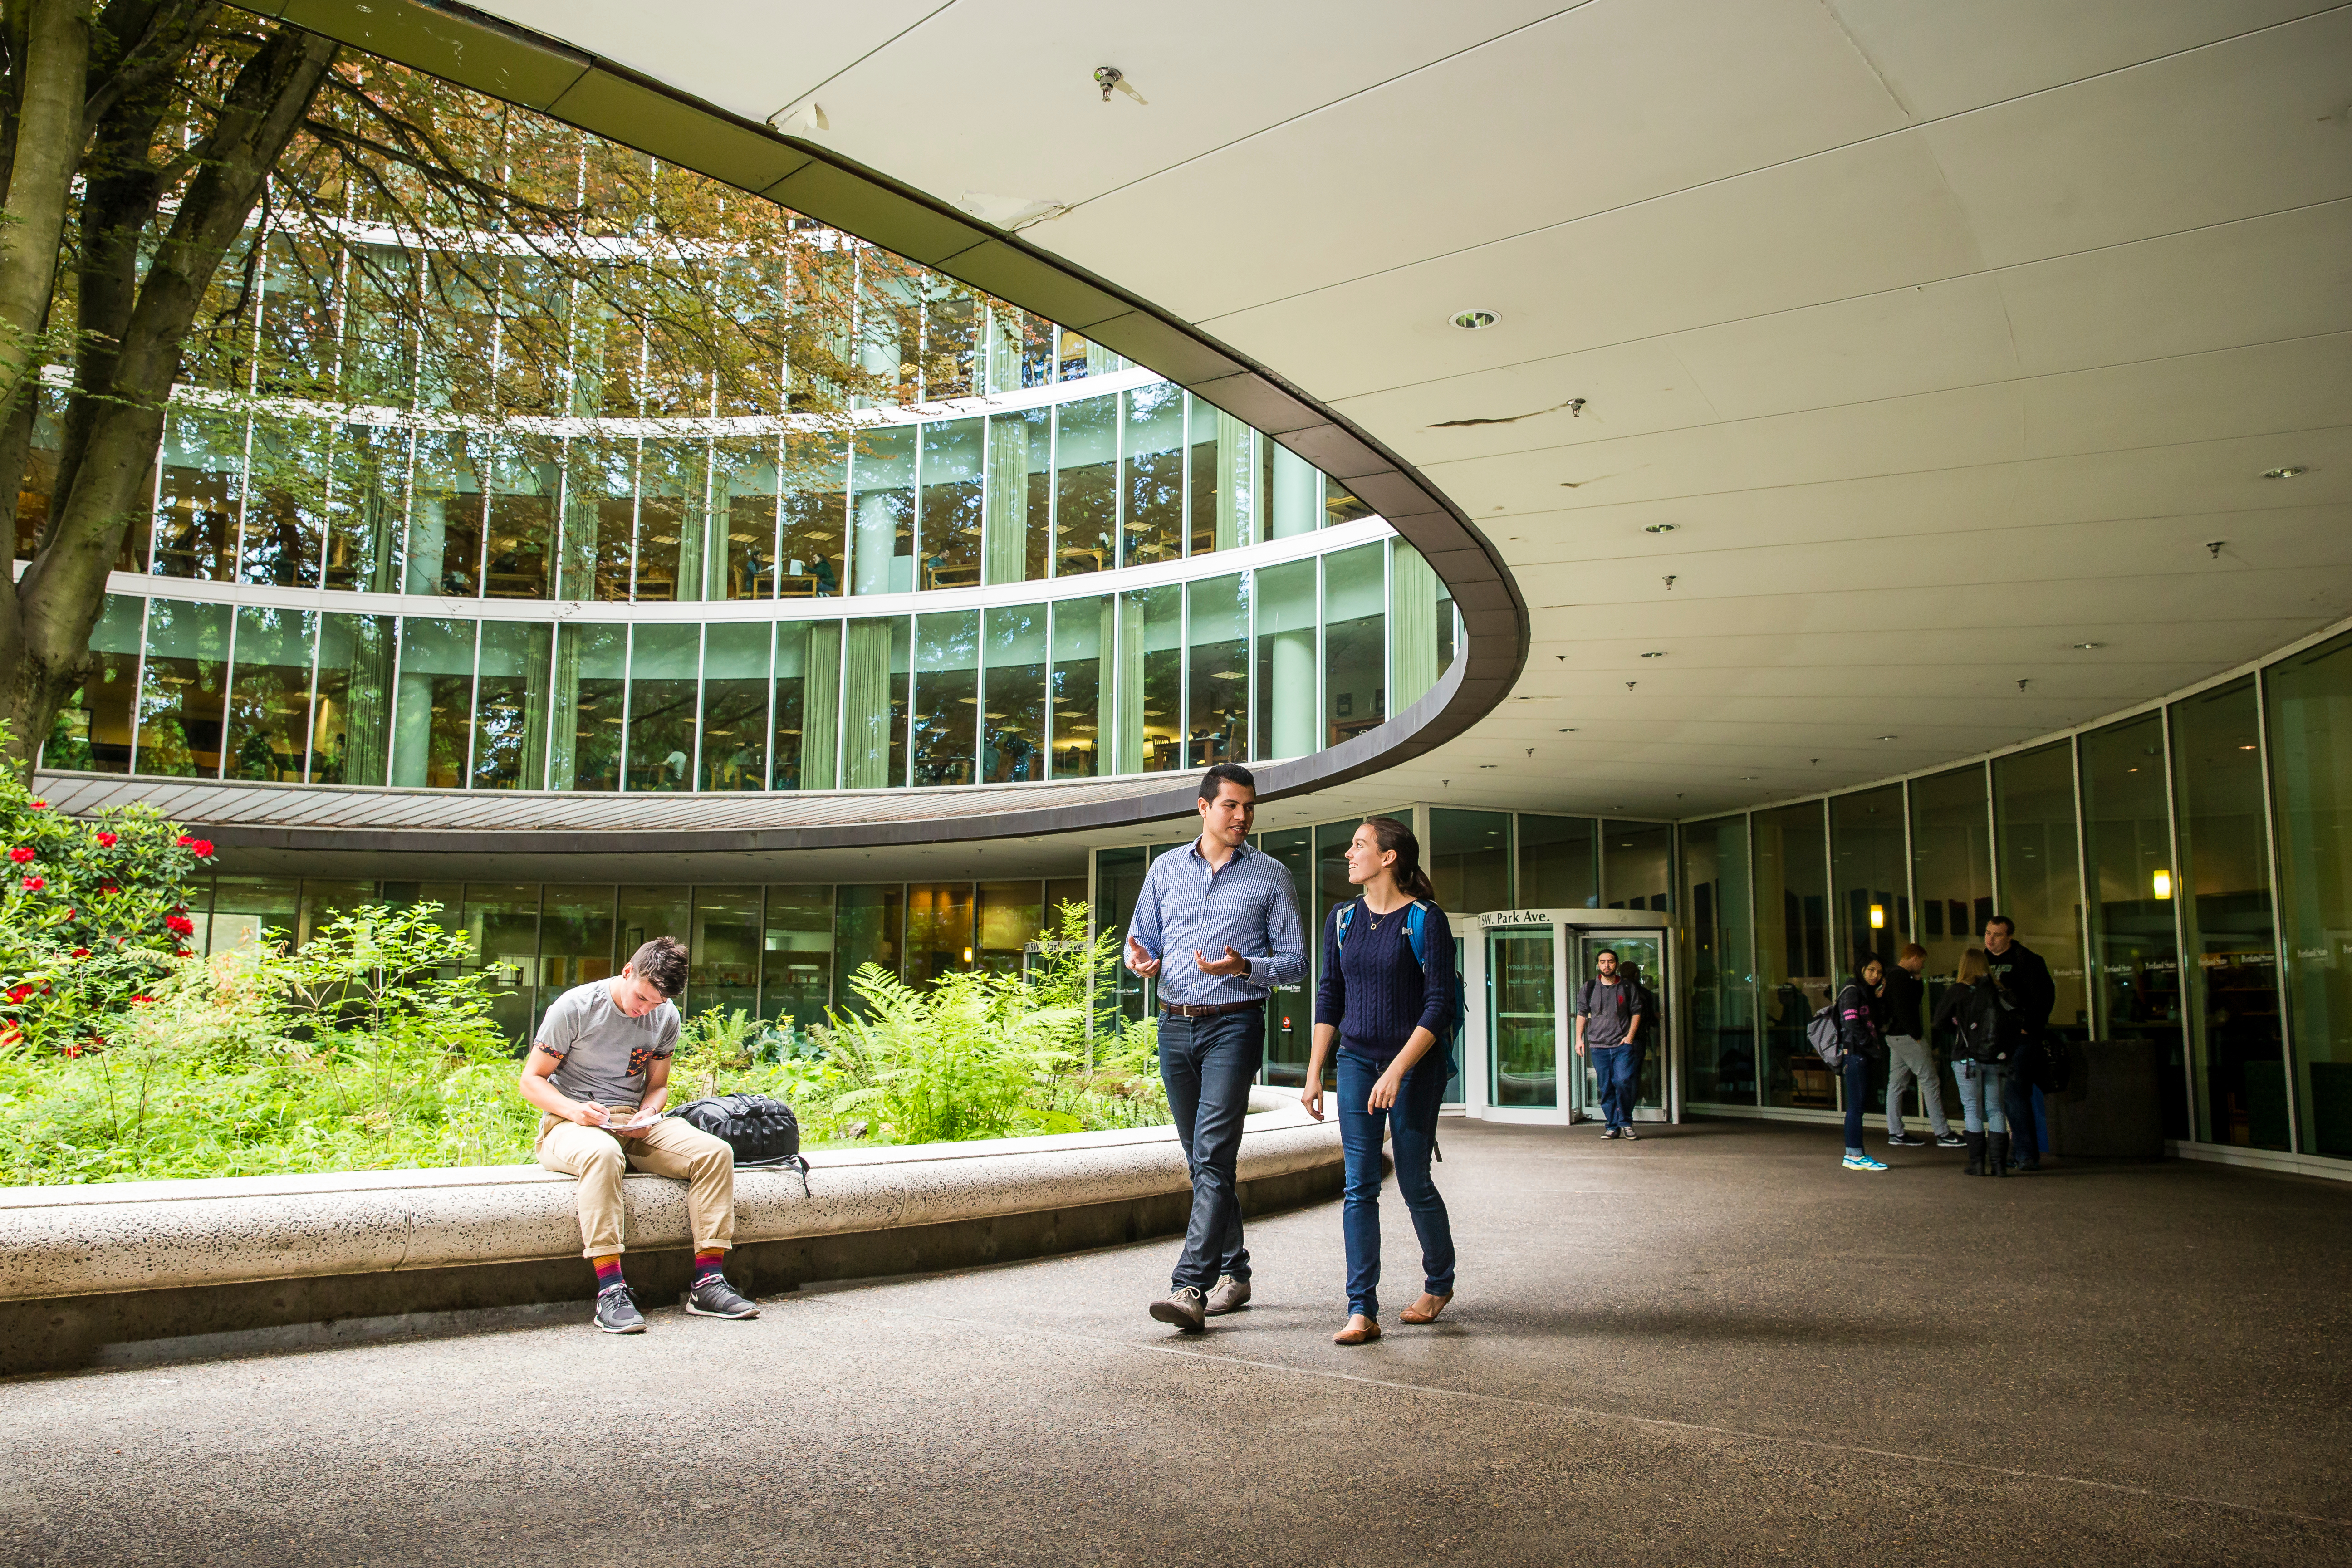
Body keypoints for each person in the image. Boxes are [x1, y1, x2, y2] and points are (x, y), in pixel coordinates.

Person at [1126, 763, 1308, 1333]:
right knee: (1202, 1158)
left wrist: (1246, 966)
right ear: (1204, 808)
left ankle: (1190, 1287)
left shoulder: (1271, 876)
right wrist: (1139, 962)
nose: (1243, 817)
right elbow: (1141, 942)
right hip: (1174, 1025)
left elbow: (1297, 962)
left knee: (1212, 1151)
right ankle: (1238, 1271)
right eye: (1232, 806)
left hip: (1235, 1024)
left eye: (1250, 807)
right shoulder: (1164, 870)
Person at [519, 936, 759, 1334]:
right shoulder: (576, 1008)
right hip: (570, 1123)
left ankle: (708, 1283)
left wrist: (649, 1112)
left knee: (715, 1152)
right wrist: (576, 1111)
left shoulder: (665, 1016)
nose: (645, 1010)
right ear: (628, 971)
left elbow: (659, 1085)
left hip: (634, 1122)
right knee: (602, 1155)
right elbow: (532, 1081)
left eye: (656, 1003)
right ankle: (611, 1290)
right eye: (642, 998)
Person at [1300, 816, 1459, 1346]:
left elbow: (1440, 1006)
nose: (1349, 853)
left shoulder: (1425, 920)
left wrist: (1397, 1069)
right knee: (1358, 1186)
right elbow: (1329, 995)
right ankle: (1361, 1309)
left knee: (1413, 1182)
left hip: (1412, 1068)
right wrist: (1315, 1071)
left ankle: (1439, 1284)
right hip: (1355, 1062)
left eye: (1360, 845)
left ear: (1389, 857)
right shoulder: (1341, 918)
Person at [1984, 915, 2055, 1172]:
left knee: (2015, 1096)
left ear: (2010, 936)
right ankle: (2017, 1152)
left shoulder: (2027, 960)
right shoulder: (1983, 961)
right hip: (1995, 1041)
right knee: (2004, 1099)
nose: (1991, 940)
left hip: (2021, 1039)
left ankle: (2026, 1154)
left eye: (1997, 935)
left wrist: (2029, 1027)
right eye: (1988, 933)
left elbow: (2044, 997)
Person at [1935, 946, 2012, 1176]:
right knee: (1996, 1109)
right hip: (1996, 1058)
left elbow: (1940, 1021)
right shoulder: (1998, 990)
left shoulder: (1959, 991)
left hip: (1967, 1057)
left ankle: (1978, 1164)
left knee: (1972, 1108)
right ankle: (1999, 1165)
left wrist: (1957, 1026)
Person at [1881, 942, 1962, 1148]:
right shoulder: (1900, 977)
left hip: (1895, 1036)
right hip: (1907, 1036)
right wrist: (1917, 1035)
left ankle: (1896, 1132)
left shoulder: (1893, 976)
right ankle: (1942, 1132)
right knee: (1930, 1081)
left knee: (1896, 1084)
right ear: (1914, 957)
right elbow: (1906, 1008)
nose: (1923, 967)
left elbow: (1910, 1002)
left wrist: (1916, 981)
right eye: (1922, 962)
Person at [1574, 948, 1645, 1139]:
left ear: (1617, 964)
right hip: (1598, 1046)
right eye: (1603, 962)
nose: (1607, 965)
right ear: (1598, 965)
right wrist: (1578, 1039)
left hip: (1622, 1045)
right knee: (1606, 1087)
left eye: (1611, 962)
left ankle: (1626, 1122)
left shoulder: (1628, 987)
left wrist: (1630, 1037)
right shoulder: (1589, 988)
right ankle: (1612, 1126)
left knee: (1623, 1081)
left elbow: (1637, 1012)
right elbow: (1581, 1014)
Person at [1836, 954, 1889, 1170]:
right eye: (1871, 971)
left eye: (1879, 972)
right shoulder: (1852, 991)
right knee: (1856, 1108)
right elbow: (1852, 1023)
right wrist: (1868, 1044)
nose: (1876, 975)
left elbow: (1879, 1020)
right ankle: (1855, 1155)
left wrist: (1879, 997)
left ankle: (1854, 1154)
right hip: (1856, 1054)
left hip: (1861, 1054)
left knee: (1857, 1107)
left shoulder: (1865, 993)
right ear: (1862, 969)